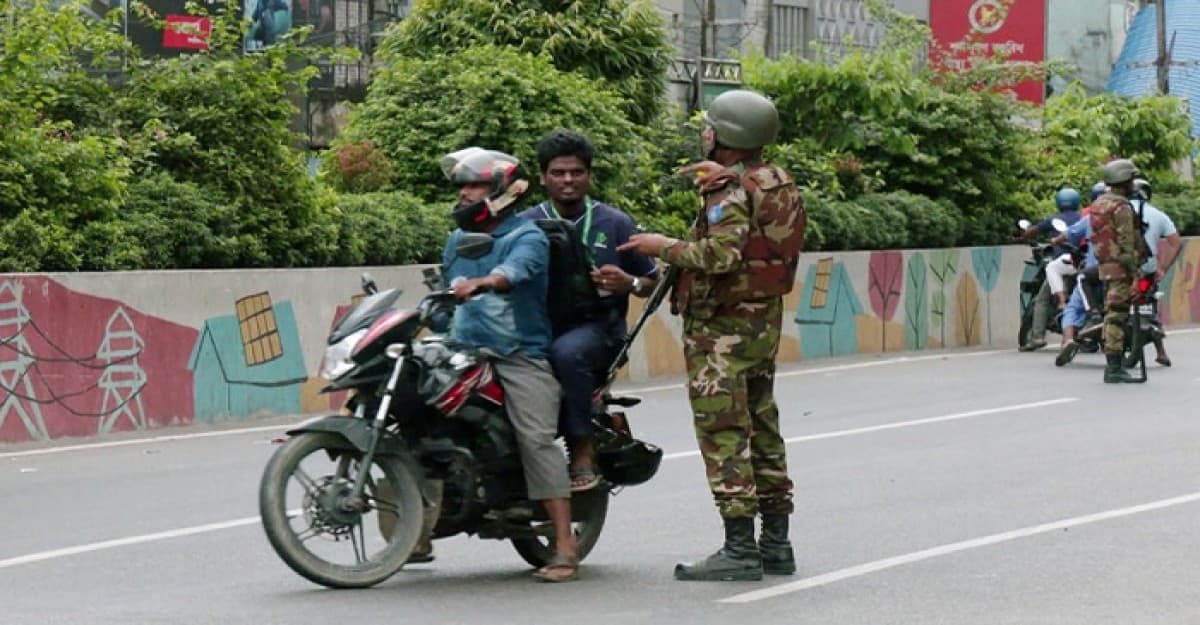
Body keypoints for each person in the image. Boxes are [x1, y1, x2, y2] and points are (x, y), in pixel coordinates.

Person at [619, 89, 806, 581]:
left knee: (723, 435)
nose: (705, 133)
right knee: (763, 429)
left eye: (711, 127)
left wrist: (665, 246)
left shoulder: (729, 190)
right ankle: (777, 544)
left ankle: (740, 550)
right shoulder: (776, 182)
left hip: (721, 333)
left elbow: (722, 256)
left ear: (729, 137)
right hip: (760, 325)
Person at [438, 147, 579, 582]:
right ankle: (416, 529)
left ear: (501, 192)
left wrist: (485, 281)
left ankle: (565, 545)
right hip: (462, 350)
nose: (465, 194)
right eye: (462, 186)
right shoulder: (456, 240)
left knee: (536, 437)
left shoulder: (527, 237)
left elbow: (514, 273)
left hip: (518, 354)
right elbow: (447, 294)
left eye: (476, 185)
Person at [519, 130, 659, 492]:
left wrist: (628, 283)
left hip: (599, 330)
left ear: (589, 176)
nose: (568, 180)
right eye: (558, 173)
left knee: (565, 353)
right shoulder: (524, 224)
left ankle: (581, 449)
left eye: (576, 172)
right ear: (542, 177)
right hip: (537, 327)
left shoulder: (616, 223)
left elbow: (652, 282)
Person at [1090, 159, 1147, 384]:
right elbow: (1126, 244)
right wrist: (1135, 274)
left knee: (1112, 313)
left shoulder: (1098, 204)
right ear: (1124, 180)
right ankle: (1114, 367)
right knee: (1117, 315)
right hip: (1122, 268)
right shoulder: (1121, 207)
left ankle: (1115, 364)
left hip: (1105, 266)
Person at [1018, 188, 1082, 351]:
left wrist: (1022, 236)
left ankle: (1037, 337)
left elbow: (1033, 231)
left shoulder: (1055, 220)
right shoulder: (1083, 218)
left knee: (1042, 299)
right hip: (1083, 265)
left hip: (1064, 264)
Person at [1129, 178, 1183, 366]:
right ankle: (1161, 351)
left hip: (1124, 270)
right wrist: (1162, 268)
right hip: (1148, 271)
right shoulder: (1158, 215)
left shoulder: (1118, 212)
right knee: (1149, 304)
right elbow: (1176, 243)